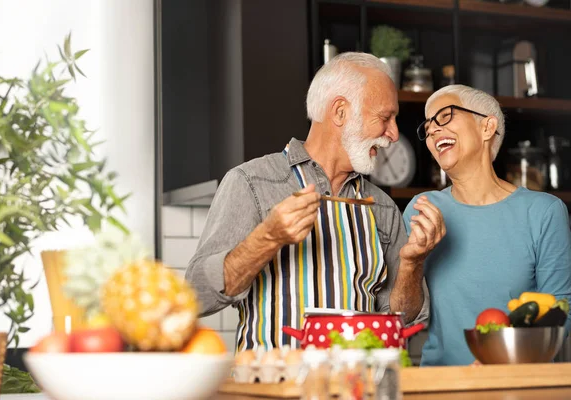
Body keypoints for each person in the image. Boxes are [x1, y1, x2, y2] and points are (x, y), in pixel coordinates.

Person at [186, 52, 445, 351]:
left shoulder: (382, 206)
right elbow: (195, 296)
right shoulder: (252, 183)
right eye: (385, 118)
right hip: (275, 390)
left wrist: (413, 263)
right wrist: (267, 238)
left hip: (357, 391)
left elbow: (402, 320)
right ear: (340, 112)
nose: (394, 133)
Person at [404, 84, 571, 366]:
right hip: (442, 386)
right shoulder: (423, 209)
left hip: (518, 386)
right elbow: (402, 312)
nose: (432, 130)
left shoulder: (544, 212)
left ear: (487, 127)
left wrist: (505, 358)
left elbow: (560, 311)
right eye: (428, 125)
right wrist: (412, 262)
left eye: (444, 116)